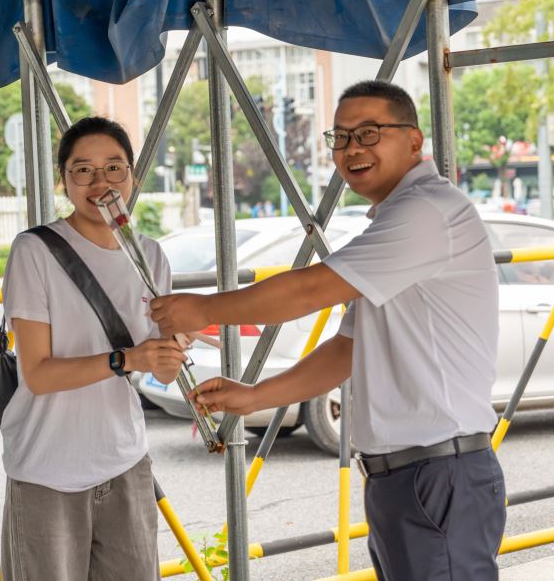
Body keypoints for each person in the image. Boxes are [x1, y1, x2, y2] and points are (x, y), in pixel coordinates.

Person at [150, 80, 506, 580]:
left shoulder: (426, 213)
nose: (352, 148)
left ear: (414, 140)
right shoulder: (396, 219)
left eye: (369, 132)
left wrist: (202, 309)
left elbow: (308, 290)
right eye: (341, 137)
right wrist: (256, 396)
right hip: (407, 476)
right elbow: (348, 347)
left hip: (439, 472)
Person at [0, 116, 188, 580]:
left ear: (132, 176)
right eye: (83, 170)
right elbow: (39, 375)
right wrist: (128, 359)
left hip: (125, 462)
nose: (100, 182)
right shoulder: (34, 251)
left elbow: (164, 374)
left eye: (114, 168)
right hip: (47, 469)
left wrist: (174, 346)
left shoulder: (150, 254)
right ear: (63, 181)